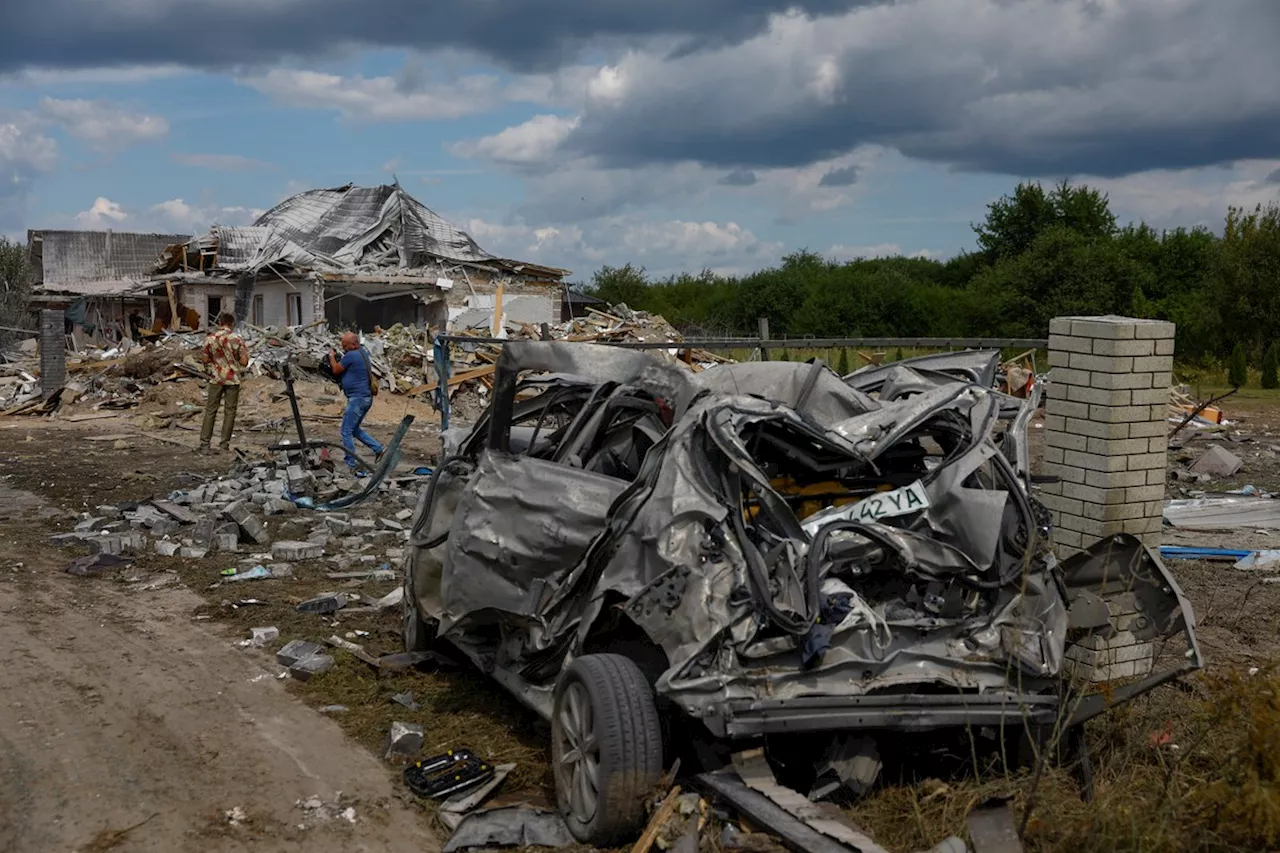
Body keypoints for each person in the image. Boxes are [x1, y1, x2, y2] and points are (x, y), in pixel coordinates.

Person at [328, 332, 384, 475]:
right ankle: (378, 448)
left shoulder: (352, 355)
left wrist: (331, 357)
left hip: (357, 400)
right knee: (354, 429)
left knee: (346, 431)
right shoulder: (362, 353)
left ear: (354, 344)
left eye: (346, 346)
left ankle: (350, 463)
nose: (344, 349)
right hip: (365, 398)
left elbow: (335, 370)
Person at [198, 312, 249, 453]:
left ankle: (204, 444)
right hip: (232, 379)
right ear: (232, 324)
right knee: (230, 412)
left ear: (220, 323)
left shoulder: (210, 339)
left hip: (216, 378)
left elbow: (205, 360)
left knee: (210, 411)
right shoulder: (237, 339)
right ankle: (224, 445)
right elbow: (244, 362)